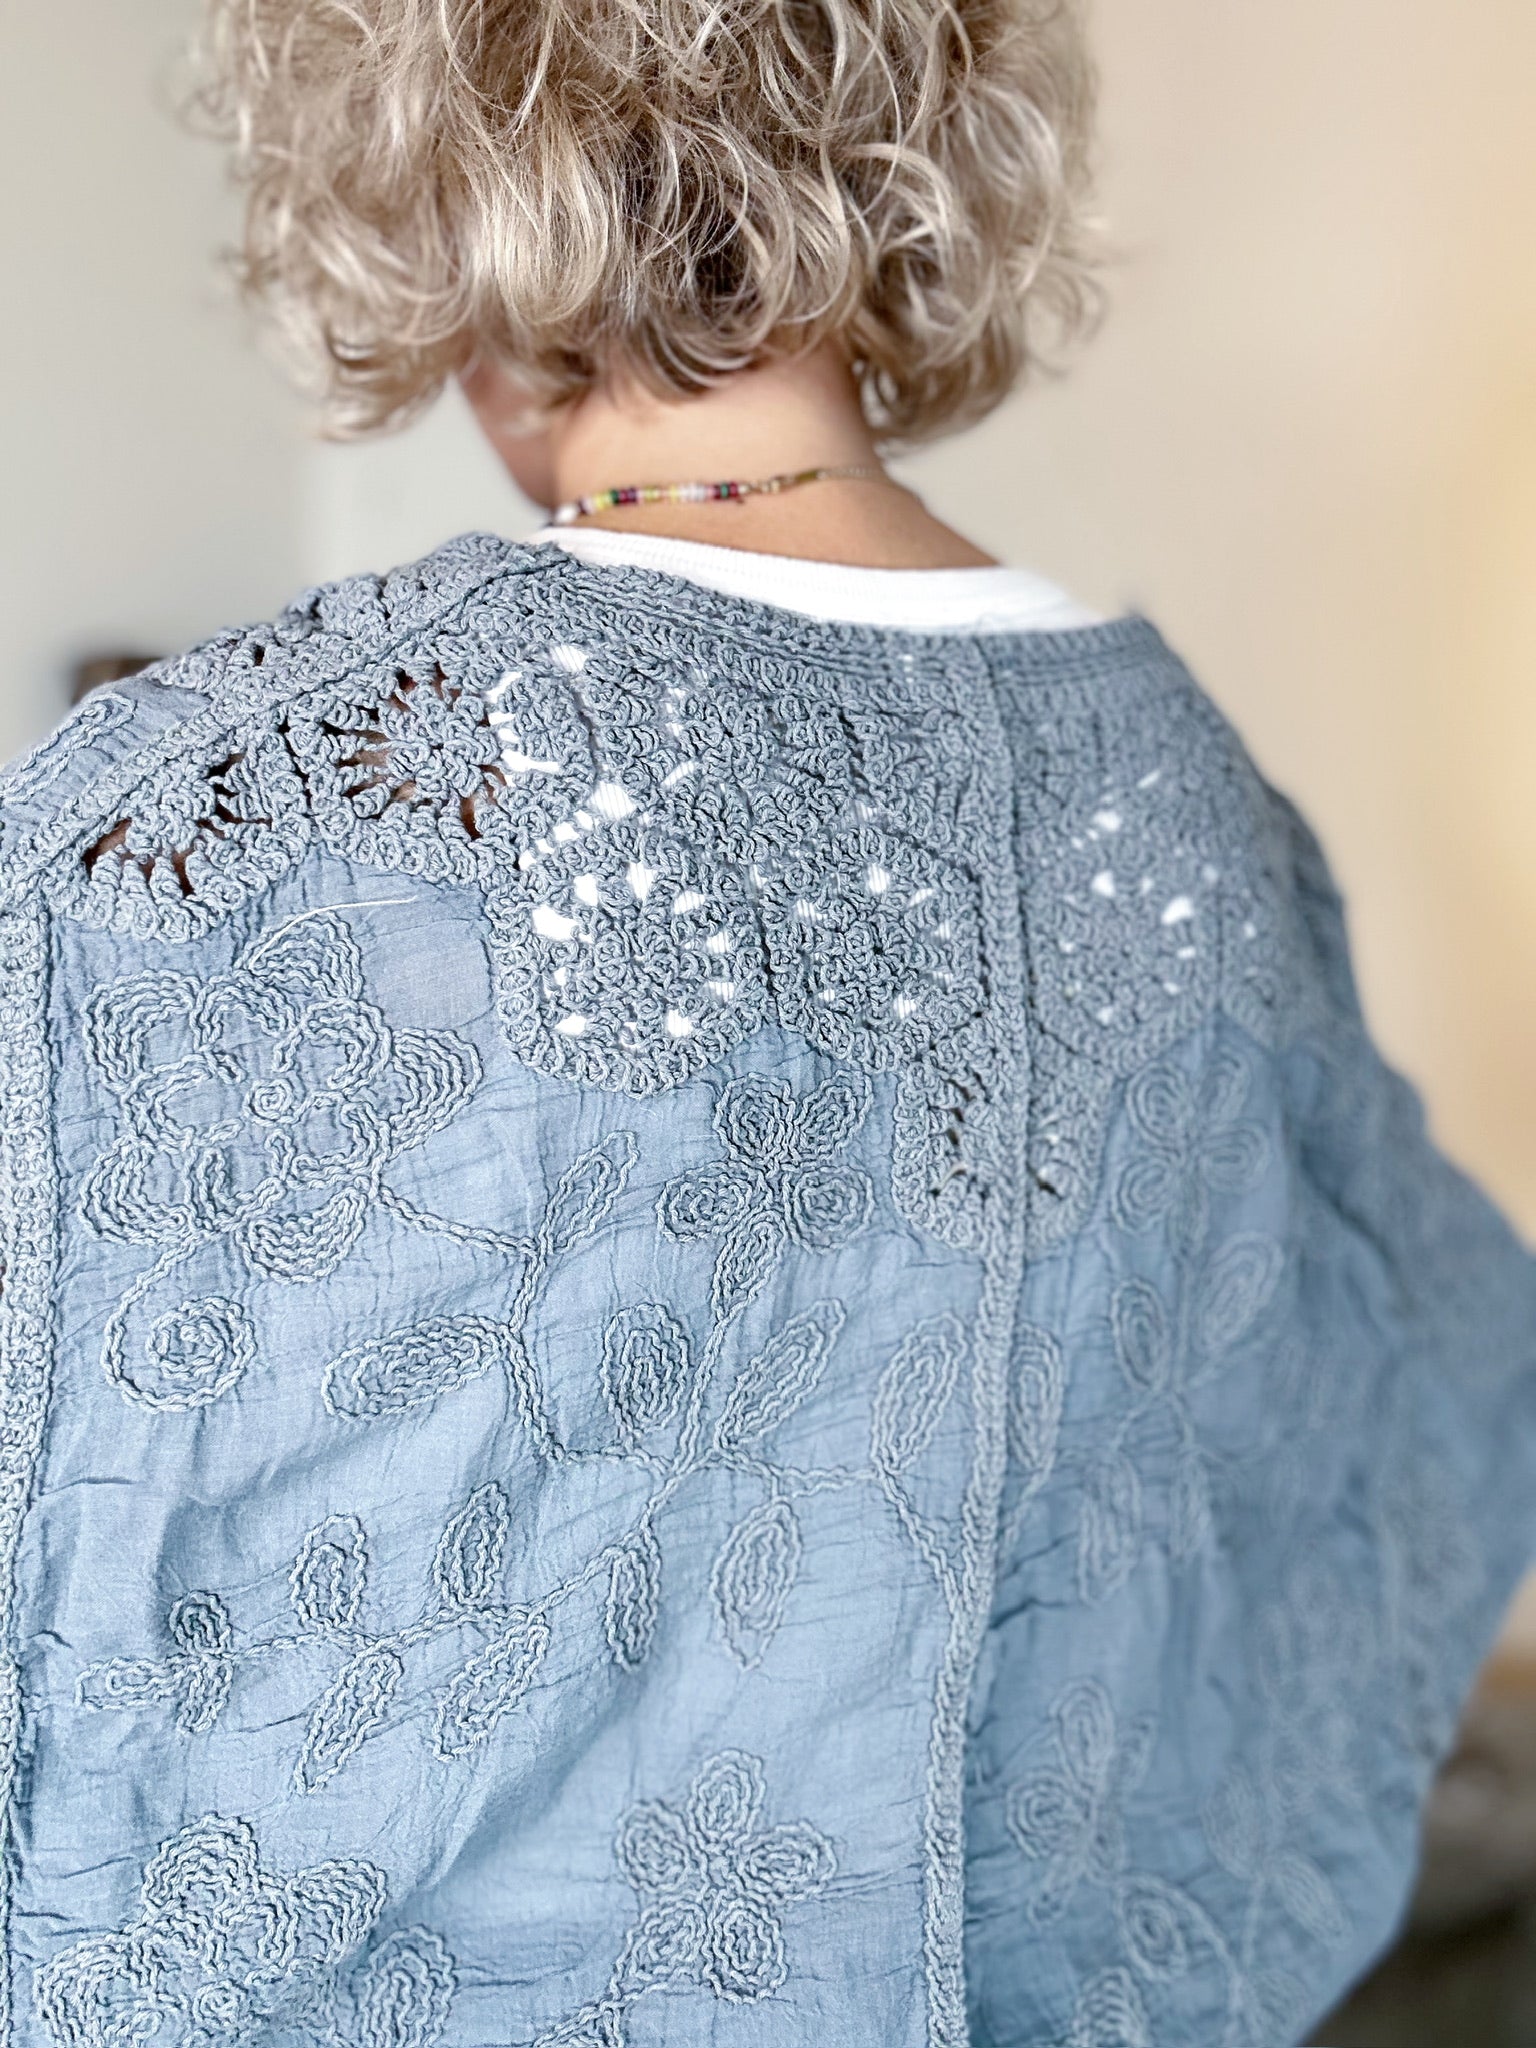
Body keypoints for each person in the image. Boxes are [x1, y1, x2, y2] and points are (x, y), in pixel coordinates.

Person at [0, 0, 1531, 2044]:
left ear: (424, 176)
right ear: (932, 153)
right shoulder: (1202, 813)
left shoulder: (210, 824)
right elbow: (1430, 1390)